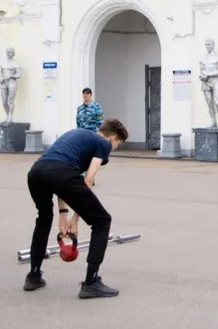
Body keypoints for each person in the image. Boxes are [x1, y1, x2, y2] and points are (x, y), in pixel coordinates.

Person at [23, 119, 128, 299]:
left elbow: (63, 175)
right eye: (117, 144)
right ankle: (91, 283)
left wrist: (63, 214)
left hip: (36, 172)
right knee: (102, 220)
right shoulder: (103, 143)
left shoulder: (78, 134)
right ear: (113, 138)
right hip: (58, 172)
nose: (114, 148)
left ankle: (33, 276)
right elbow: (87, 180)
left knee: (44, 218)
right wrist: (75, 220)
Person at [199, 38, 218, 127]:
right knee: (209, 102)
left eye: (209, 44)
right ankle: (213, 121)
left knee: (217, 102)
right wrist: (202, 76)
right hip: (205, 82)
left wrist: (208, 74)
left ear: (213, 45)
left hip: (215, 81)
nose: (207, 46)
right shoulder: (203, 57)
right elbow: (201, 70)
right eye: (206, 45)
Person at [0, 47, 21, 123]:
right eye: (7, 52)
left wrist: (11, 76)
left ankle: (10, 117)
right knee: (4, 101)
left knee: (10, 100)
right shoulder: (3, 63)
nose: (8, 54)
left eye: (9, 52)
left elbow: (18, 75)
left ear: (13, 53)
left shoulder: (16, 63)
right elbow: (1, 73)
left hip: (12, 82)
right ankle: (7, 115)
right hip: (4, 83)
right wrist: (1, 78)